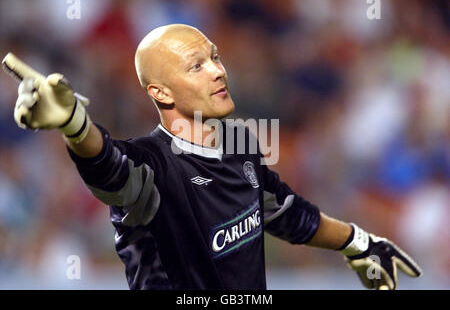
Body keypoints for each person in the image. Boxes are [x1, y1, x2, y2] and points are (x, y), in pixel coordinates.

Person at [8, 24, 422, 290]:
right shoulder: (153, 164)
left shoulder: (239, 145)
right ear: (161, 93)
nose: (218, 71)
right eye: (196, 66)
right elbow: (109, 167)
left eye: (215, 57)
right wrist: (74, 125)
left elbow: (285, 213)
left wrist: (357, 242)